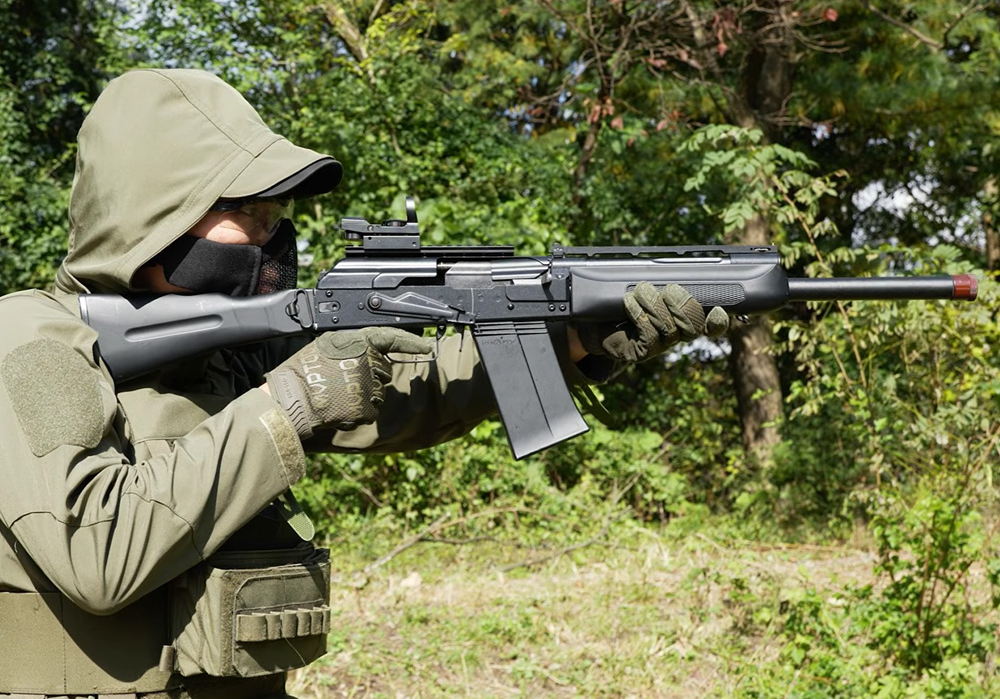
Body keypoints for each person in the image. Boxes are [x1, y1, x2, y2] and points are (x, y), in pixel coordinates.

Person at [0, 68, 723, 698]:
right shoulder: (35, 342)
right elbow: (99, 555)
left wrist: (572, 341)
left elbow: (417, 392)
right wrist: (293, 399)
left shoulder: (232, 354)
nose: (270, 240)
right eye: (244, 215)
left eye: (276, 217)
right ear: (152, 215)